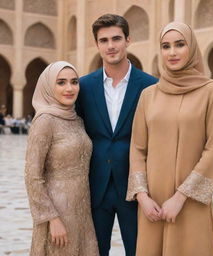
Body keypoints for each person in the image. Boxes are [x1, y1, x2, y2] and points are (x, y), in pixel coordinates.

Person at [126, 22, 213, 255]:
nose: (172, 52)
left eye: (180, 45)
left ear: (191, 48)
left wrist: (180, 198)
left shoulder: (210, 91)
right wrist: (142, 196)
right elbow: (138, 148)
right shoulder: (149, 95)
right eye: (165, 46)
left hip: (190, 202)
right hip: (153, 204)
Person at [76, 14, 158, 256]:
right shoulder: (84, 86)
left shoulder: (151, 86)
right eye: (104, 40)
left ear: (128, 40)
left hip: (136, 188)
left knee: (138, 250)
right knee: (96, 251)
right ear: (97, 44)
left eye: (116, 39)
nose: (110, 46)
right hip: (95, 187)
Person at [25, 61, 99, 256]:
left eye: (74, 82)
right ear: (49, 86)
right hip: (57, 214)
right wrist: (52, 219)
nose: (69, 88)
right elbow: (32, 176)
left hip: (82, 212)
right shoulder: (45, 121)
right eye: (61, 82)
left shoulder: (76, 120)